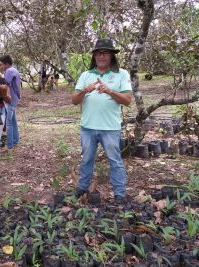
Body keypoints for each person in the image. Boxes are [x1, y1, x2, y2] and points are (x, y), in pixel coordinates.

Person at [71, 38, 132, 204]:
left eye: (105, 53)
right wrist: (85, 90)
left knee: (115, 161)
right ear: (94, 56)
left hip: (110, 128)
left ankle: (119, 194)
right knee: (86, 160)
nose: (101, 56)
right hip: (88, 128)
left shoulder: (122, 74)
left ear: (112, 56)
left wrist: (110, 91)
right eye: (98, 53)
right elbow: (74, 100)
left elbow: (127, 100)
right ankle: (82, 188)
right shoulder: (86, 75)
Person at [0, 55, 21, 150]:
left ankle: (10, 145)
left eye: (1, 64)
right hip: (14, 98)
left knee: (8, 122)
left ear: (6, 64)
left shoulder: (9, 71)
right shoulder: (14, 70)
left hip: (10, 99)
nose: (1, 66)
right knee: (13, 121)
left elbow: (5, 84)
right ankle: (15, 140)